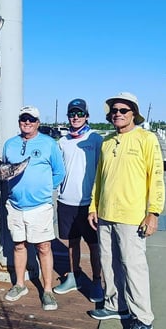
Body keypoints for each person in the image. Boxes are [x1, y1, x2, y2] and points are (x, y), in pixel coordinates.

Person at [88, 92, 165, 329]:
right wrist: (93, 207)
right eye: (114, 110)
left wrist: (153, 212)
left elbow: (157, 177)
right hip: (105, 215)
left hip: (132, 217)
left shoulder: (146, 138)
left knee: (134, 267)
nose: (117, 114)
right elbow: (99, 179)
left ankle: (142, 318)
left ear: (134, 113)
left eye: (123, 110)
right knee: (108, 264)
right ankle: (115, 304)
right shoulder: (107, 141)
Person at [3, 106, 65, 311]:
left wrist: (45, 190)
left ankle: (47, 290)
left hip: (40, 207)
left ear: (38, 122)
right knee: (19, 245)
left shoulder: (49, 144)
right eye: (23, 118)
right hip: (14, 205)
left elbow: (59, 172)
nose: (27, 122)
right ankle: (20, 284)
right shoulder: (10, 144)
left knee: (43, 247)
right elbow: (3, 170)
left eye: (31, 119)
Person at [53, 99, 103, 302]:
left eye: (79, 114)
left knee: (94, 245)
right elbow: (57, 170)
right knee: (72, 242)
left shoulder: (96, 139)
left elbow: (103, 172)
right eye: (72, 114)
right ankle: (74, 277)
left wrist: (98, 203)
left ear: (87, 116)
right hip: (66, 201)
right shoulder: (62, 142)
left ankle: (97, 281)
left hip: (88, 204)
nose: (75, 117)